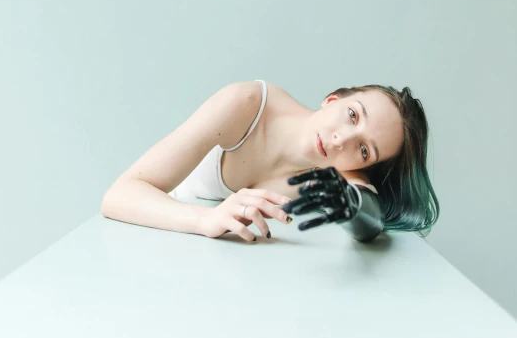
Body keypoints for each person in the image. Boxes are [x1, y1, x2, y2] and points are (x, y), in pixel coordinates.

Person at [101, 79, 440, 244]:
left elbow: (367, 217)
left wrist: (355, 203)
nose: (342, 140)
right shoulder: (247, 104)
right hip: (158, 232)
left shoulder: (339, 176)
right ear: (331, 99)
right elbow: (119, 195)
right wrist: (208, 219)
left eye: (365, 150)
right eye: (352, 115)